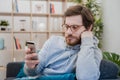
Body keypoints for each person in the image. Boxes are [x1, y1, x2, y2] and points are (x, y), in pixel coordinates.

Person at [24, 5, 102, 80]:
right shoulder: (53, 41)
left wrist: (87, 41)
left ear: (88, 28)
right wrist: (31, 67)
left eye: (74, 27)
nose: (68, 32)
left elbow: (85, 78)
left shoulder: (92, 52)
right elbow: (33, 73)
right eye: (67, 26)